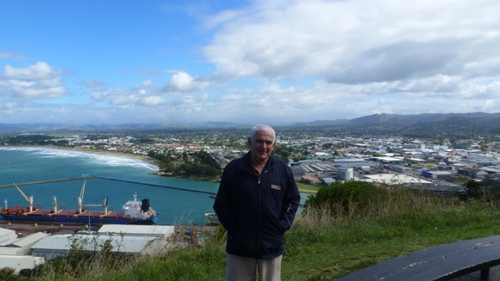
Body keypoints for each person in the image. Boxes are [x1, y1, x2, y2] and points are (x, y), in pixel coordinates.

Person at [213, 124, 301, 281]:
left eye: (268, 142)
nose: (263, 146)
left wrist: (282, 225)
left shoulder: (282, 169)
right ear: (249, 142)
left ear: (273, 145)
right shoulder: (234, 169)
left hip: (271, 244)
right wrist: (234, 228)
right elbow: (221, 204)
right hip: (240, 245)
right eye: (259, 141)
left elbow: (292, 200)